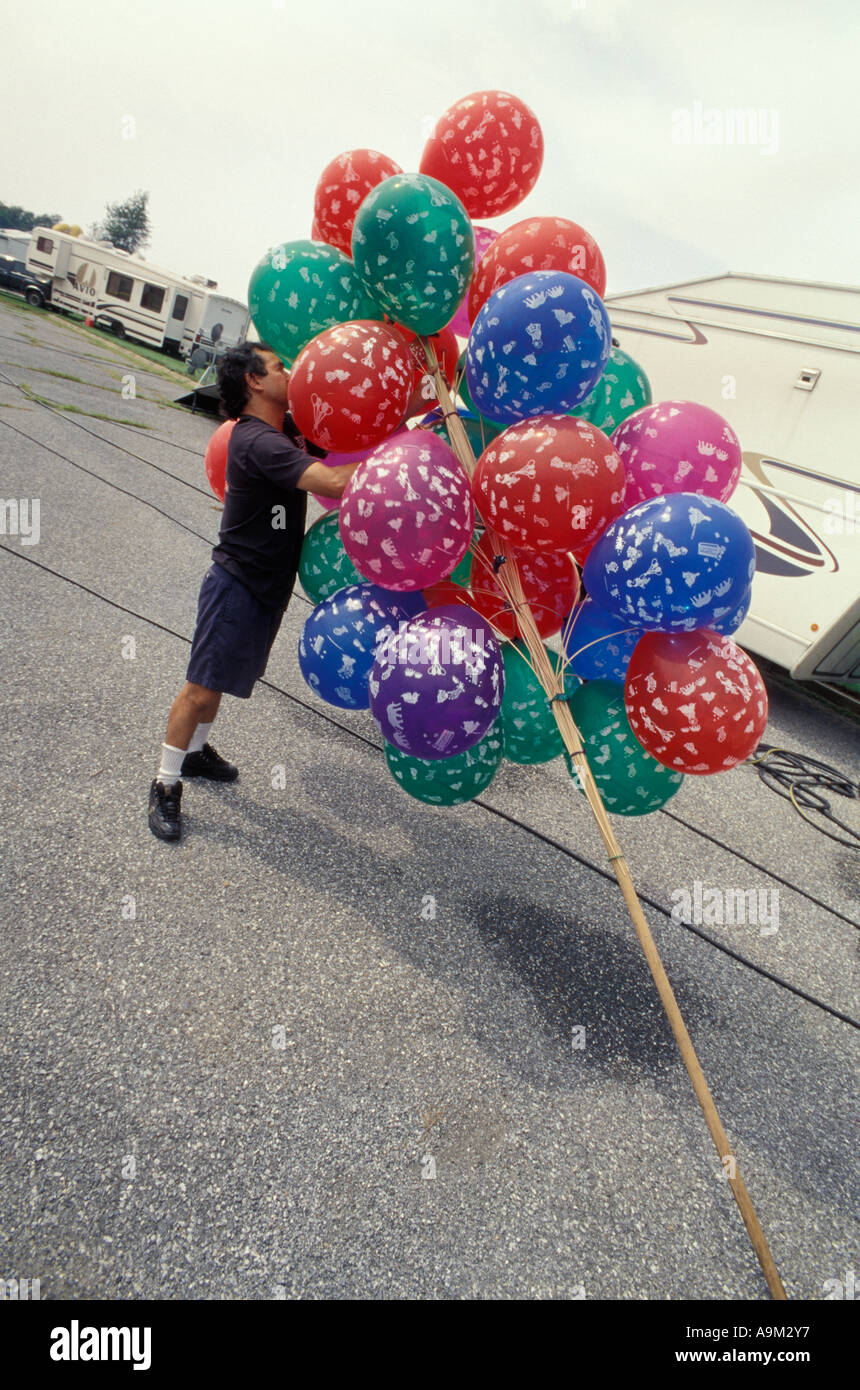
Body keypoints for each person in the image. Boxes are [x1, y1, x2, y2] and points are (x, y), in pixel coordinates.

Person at [148, 342, 358, 842]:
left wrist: (412, 408)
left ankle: (196, 755)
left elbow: (335, 435)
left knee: (220, 679)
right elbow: (329, 479)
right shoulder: (259, 441)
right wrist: (395, 462)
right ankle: (164, 783)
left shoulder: (278, 433)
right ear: (254, 382)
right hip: (237, 584)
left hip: (262, 585)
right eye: (280, 367)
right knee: (200, 686)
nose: (291, 372)